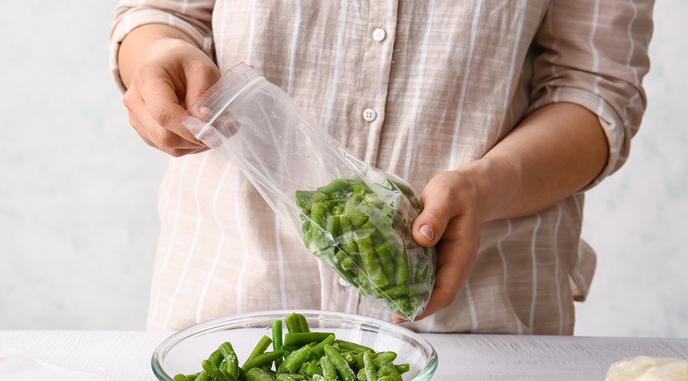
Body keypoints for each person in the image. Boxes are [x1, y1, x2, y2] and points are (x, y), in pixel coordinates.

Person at [109, 1, 653, 334]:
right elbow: (163, 15)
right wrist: (155, 57)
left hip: (477, 326)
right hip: (231, 306)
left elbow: (596, 88)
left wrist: (485, 186)